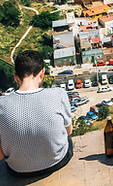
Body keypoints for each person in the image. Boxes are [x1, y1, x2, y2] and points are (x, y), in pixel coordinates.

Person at [0, 50, 73, 178]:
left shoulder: (2, 104)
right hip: (57, 162)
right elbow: (68, 131)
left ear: (16, 77)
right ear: (42, 73)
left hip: (18, 171)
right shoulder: (58, 94)